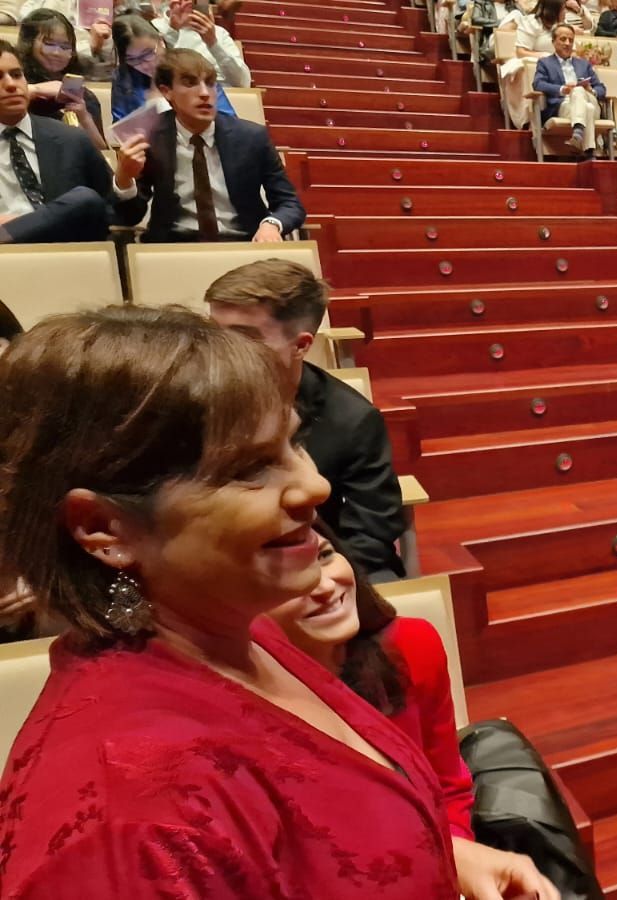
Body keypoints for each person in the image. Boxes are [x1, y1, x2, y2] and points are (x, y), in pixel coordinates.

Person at [0, 306, 554, 900]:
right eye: (247, 468)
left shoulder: (244, 631)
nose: (315, 486)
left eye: (293, 444)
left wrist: (448, 857)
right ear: (103, 527)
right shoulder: (129, 819)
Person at [265, 519, 564, 896]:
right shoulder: (239, 706)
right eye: (289, 581)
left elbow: (448, 787)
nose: (324, 586)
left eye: (324, 556)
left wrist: (449, 863)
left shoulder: (410, 645)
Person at [206, 259, 407, 581]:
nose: (219, 351)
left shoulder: (353, 420)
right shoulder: (188, 398)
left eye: (243, 337)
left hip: (307, 564)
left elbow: (370, 534)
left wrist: (307, 582)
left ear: (301, 345)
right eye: (214, 333)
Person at [111, 50, 300, 243]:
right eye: (190, 83)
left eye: (210, 83)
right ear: (167, 91)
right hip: (173, 247)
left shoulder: (251, 137)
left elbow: (289, 204)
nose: (204, 93)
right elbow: (130, 217)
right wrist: (125, 180)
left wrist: (271, 224)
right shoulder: (150, 137)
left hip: (245, 242)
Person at [0, 39, 111, 244]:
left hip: (61, 249)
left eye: (16, 75)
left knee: (84, 199)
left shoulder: (71, 139)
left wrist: (126, 180)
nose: (11, 84)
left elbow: (111, 207)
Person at [17, 9, 105, 149]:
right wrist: (35, 90)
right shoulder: (12, 85)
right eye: (49, 44)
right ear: (29, 43)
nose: (57, 53)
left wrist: (84, 117)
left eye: (65, 47)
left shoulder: (86, 97)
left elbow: (101, 154)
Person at [532, 24, 607, 156]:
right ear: (553, 42)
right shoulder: (545, 63)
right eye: (563, 39)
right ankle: (588, 152)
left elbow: (601, 88)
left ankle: (578, 133)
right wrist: (562, 89)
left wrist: (591, 90)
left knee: (579, 91)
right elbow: (538, 84)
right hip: (564, 106)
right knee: (587, 108)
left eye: (571, 40)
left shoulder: (584, 64)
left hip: (589, 99)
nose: (567, 43)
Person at [156, 0, 248, 88]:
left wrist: (213, 44)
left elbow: (243, 82)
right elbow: (161, 75)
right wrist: (172, 32)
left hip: (220, 96)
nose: (188, 3)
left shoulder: (218, 33)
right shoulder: (155, 28)